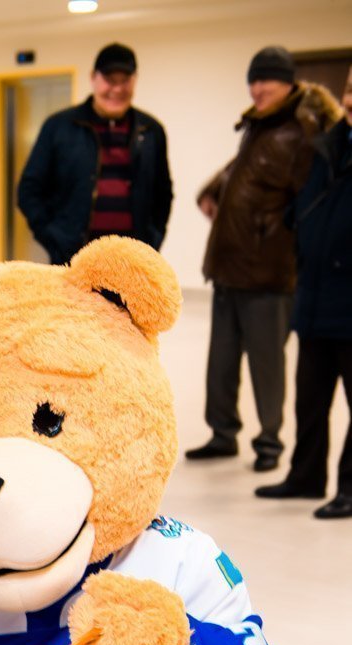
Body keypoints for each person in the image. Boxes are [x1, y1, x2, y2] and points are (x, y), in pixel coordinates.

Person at [187, 47, 341, 472]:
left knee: (266, 365)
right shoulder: (260, 124)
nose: (256, 88)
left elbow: (310, 201)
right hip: (229, 266)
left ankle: (269, 443)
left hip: (269, 272)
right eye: (252, 80)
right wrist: (213, 189)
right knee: (221, 363)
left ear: (287, 82)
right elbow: (242, 171)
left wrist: (276, 236)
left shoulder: (302, 131)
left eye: (265, 80)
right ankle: (222, 434)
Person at [256, 65, 352, 518]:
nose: (349, 101)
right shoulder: (328, 145)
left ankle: (350, 488)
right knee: (310, 400)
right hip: (315, 295)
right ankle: (306, 476)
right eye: (349, 90)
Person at [17, 43, 172, 266]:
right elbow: (28, 190)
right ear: (93, 78)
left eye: (125, 80)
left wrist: (152, 239)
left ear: (135, 80)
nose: (117, 89)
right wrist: (53, 238)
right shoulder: (59, 127)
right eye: (110, 79)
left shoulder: (151, 131)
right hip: (72, 260)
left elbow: (163, 193)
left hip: (132, 263)